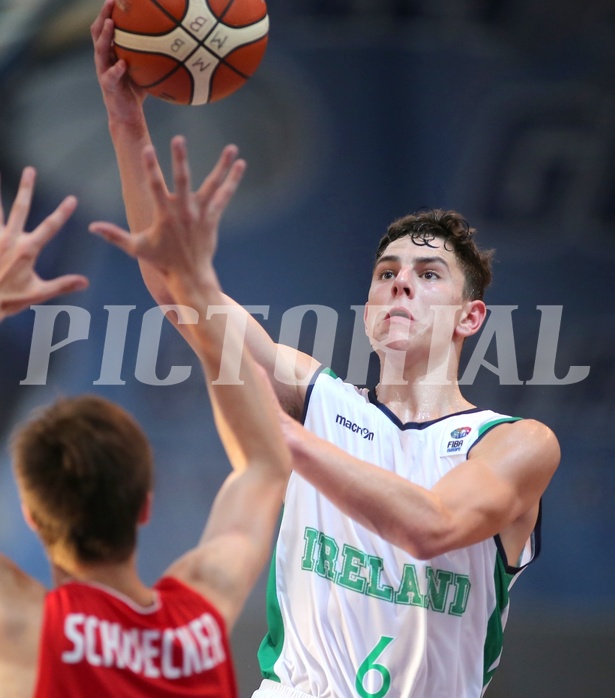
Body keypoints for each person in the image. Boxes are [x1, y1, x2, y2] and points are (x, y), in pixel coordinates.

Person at [92, 2, 561, 696]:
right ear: (369, 306)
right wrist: (128, 120)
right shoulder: (318, 395)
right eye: (385, 274)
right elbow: (177, 288)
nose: (400, 284)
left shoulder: (514, 443)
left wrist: (273, 434)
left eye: (427, 276)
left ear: (469, 318)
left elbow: (432, 528)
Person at [0, 140, 291, 697]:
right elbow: (264, 466)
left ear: (32, 518)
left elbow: (265, 467)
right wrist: (196, 290)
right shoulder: (199, 617)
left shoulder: (27, 628)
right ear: (145, 506)